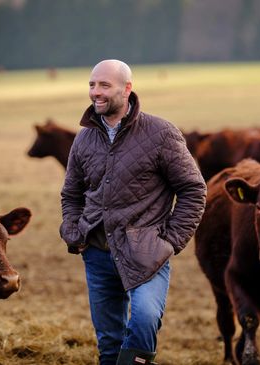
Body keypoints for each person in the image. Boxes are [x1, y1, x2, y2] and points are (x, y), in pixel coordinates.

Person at [59, 59, 207, 365]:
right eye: (91, 85)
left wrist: (171, 240)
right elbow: (71, 193)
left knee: (144, 320)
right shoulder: (84, 137)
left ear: (127, 89)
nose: (95, 93)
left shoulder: (161, 132)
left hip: (147, 252)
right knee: (109, 341)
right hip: (98, 253)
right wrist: (73, 232)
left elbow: (193, 190)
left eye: (104, 85)